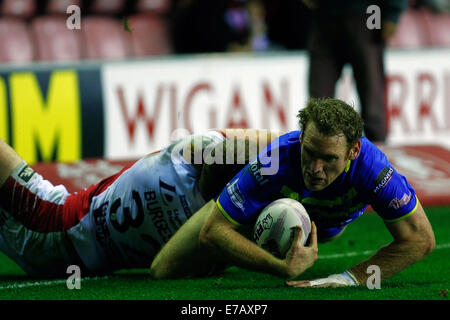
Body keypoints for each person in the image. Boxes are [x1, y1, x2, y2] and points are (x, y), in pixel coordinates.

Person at [152, 97, 435, 288]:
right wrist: (279, 267)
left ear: (353, 151)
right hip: (265, 202)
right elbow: (212, 231)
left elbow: (421, 240)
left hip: (326, 227)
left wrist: (350, 278)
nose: (315, 168)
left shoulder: (373, 169)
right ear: (301, 138)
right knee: (163, 270)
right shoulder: (273, 161)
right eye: (309, 153)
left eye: (328, 159)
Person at [0, 128, 281, 277]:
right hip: (60, 249)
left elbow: (238, 144)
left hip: (51, 220)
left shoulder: (183, 156)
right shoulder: (204, 235)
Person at [303, 0, 409, 143]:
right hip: (325, 14)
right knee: (317, 103)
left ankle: (378, 160)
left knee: (373, 103)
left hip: (371, 12)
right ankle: (314, 157)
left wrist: (393, 14)